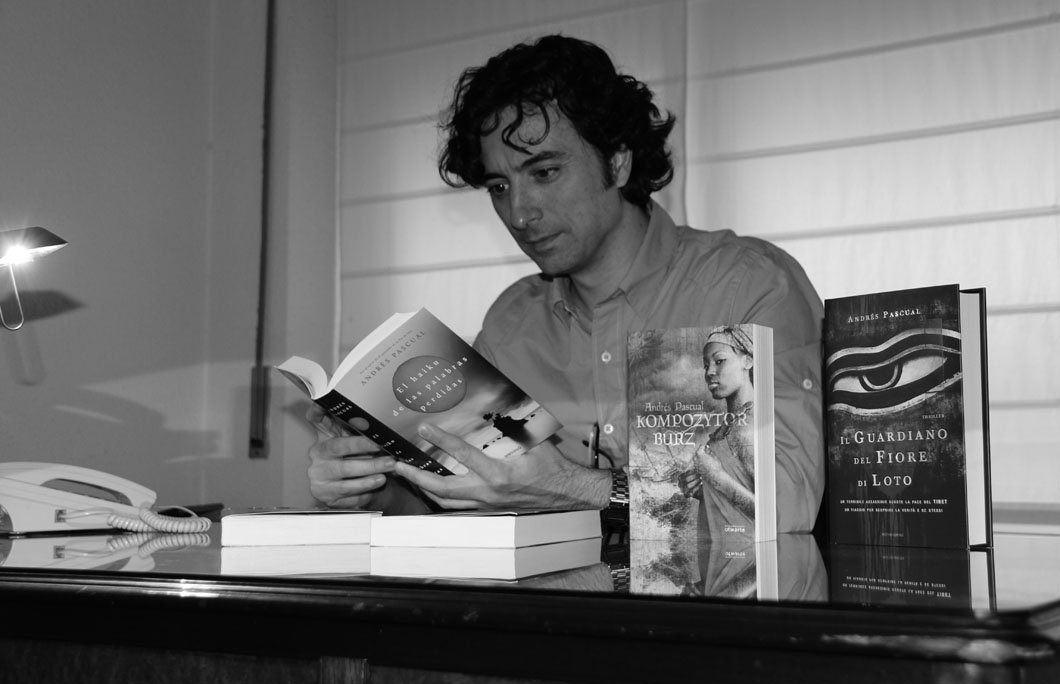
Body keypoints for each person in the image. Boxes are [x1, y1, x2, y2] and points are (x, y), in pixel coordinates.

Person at [307, 34, 825, 532]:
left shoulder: (745, 286)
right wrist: (375, 492)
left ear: (617, 162)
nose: (519, 213)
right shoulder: (512, 326)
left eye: (544, 173)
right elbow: (468, 503)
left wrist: (574, 486)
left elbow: (786, 498)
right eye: (499, 186)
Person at [680, 327, 758, 538]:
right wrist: (702, 490)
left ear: (747, 361)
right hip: (720, 550)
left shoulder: (748, 425)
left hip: (744, 554)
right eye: (706, 365)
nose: (709, 372)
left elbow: (766, 513)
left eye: (719, 361)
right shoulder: (731, 424)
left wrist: (716, 478)